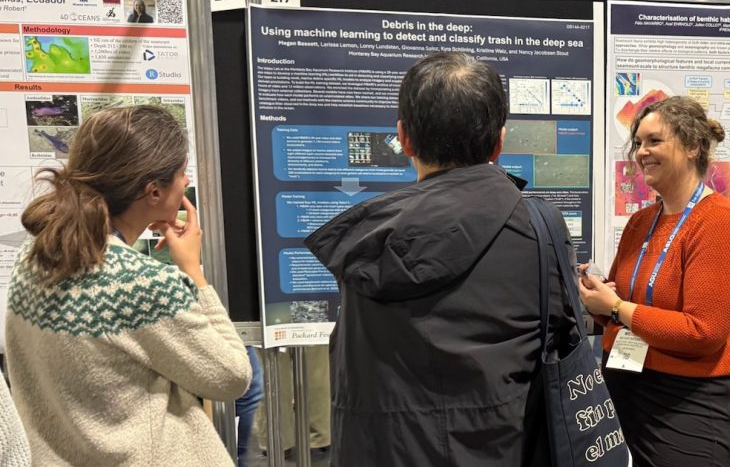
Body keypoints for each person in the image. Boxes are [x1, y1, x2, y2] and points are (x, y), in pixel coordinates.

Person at [304, 52, 573, 466]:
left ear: (404, 138)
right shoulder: (539, 227)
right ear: (500, 142)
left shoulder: (366, 238)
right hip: (506, 447)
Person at [5, 105, 252, 466]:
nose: (186, 183)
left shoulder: (36, 254)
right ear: (153, 192)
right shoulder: (142, 284)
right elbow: (231, 377)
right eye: (182, 173)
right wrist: (193, 273)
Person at [579, 96, 730, 467]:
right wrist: (599, 300)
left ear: (693, 147)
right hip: (627, 383)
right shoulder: (642, 222)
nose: (642, 152)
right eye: (638, 143)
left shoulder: (720, 223)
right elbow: (624, 309)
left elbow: (703, 331)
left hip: (691, 402)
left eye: (654, 141)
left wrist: (615, 307)